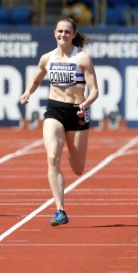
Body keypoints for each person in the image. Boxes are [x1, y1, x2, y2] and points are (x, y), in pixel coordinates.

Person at [19, 18, 99, 226]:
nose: (62, 35)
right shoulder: (47, 58)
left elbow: (95, 90)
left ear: (73, 34)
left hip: (77, 112)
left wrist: (86, 104)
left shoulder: (82, 59)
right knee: (52, 158)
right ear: (54, 33)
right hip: (54, 110)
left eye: (67, 32)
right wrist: (27, 92)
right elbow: (36, 80)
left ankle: (71, 153)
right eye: (59, 31)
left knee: (78, 167)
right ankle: (60, 210)